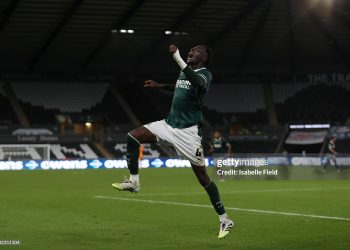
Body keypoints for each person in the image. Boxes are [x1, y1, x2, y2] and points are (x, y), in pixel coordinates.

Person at [112, 44, 234, 239]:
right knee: (132, 136)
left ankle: (225, 219)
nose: (191, 51)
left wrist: (178, 58)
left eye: (197, 50)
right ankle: (134, 182)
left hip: (188, 133)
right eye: (190, 49)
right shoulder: (186, 72)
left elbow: (197, 83)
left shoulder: (205, 74)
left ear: (204, 57)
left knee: (203, 178)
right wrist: (159, 86)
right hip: (169, 125)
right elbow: (179, 85)